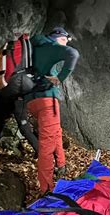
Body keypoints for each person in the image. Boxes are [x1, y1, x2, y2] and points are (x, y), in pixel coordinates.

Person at [25, 26, 80, 193]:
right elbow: (73, 54)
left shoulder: (33, 48)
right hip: (46, 99)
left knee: (55, 132)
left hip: (31, 101)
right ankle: (46, 189)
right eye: (64, 39)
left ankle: (61, 165)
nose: (65, 43)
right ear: (58, 37)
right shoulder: (52, 46)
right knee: (46, 147)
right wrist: (59, 78)